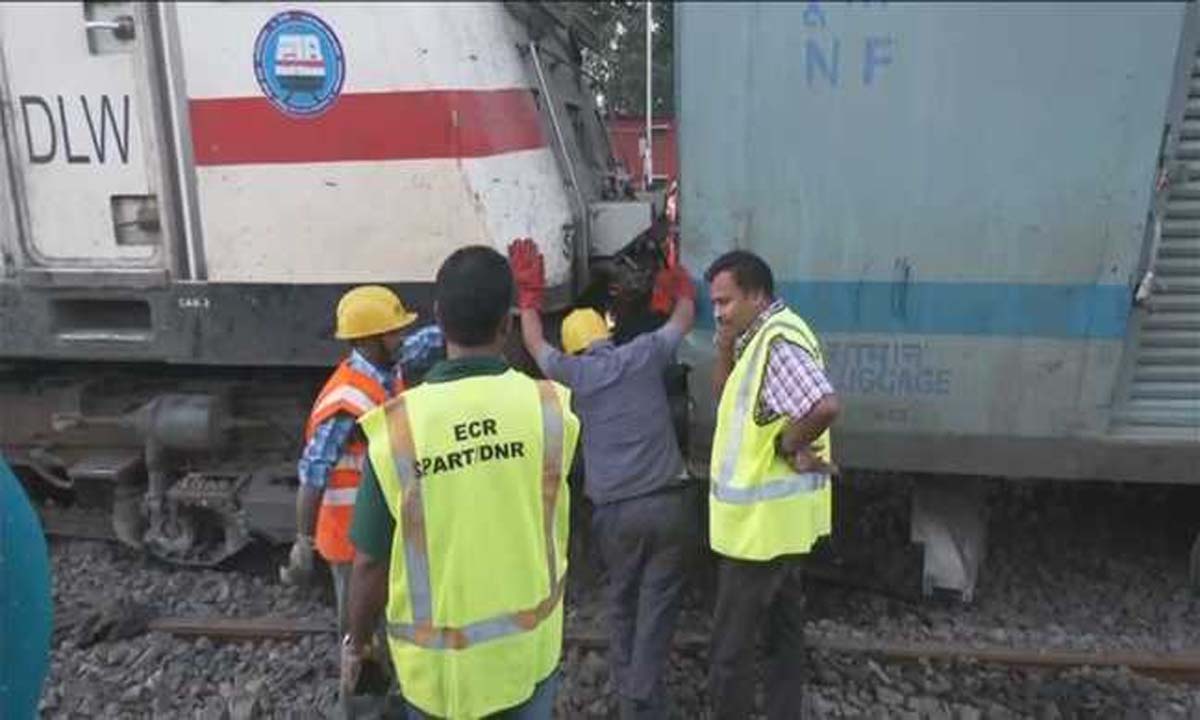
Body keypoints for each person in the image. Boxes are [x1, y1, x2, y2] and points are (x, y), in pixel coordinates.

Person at [343, 245, 580, 719]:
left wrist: (359, 640)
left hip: (437, 681)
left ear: (438, 319)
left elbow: (369, 564)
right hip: (526, 662)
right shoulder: (552, 410)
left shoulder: (396, 429)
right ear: (507, 323)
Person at [509, 238, 698, 719]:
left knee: (621, 602)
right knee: (659, 601)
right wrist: (680, 287)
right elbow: (683, 320)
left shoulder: (572, 373)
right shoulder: (643, 354)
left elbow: (535, 344)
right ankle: (642, 694)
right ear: (606, 335)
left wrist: (528, 295)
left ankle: (634, 695)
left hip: (617, 512)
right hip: (669, 504)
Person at [703, 250, 840, 720]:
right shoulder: (755, 337)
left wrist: (787, 444)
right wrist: (723, 344)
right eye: (714, 303)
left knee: (730, 653)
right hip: (780, 528)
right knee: (784, 639)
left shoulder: (778, 342)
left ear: (757, 294)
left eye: (725, 301)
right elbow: (726, 399)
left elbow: (823, 405)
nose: (717, 311)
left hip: (756, 536)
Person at [280, 285, 427, 639]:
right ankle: (357, 691)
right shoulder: (347, 401)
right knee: (358, 627)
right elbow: (314, 472)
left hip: (382, 527)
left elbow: (428, 341)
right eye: (395, 332)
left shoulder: (386, 373)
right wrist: (304, 542)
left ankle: (381, 683)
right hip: (351, 539)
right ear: (370, 340)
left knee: (387, 620)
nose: (403, 338)